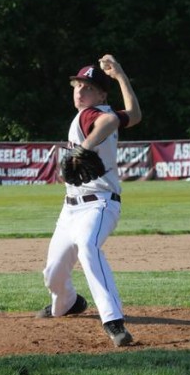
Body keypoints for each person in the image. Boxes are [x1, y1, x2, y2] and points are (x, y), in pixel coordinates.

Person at [36, 54, 142, 347]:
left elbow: (108, 120)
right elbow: (133, 114)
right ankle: (69, 303)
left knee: (88, 246)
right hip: (70, 209)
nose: (80, 92)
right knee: (53, 274)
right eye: (77, 86)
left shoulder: (92, 114)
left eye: (88, 87)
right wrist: (120, 75)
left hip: (99, 205)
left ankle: (113, 320)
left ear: (100, 95)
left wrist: (84, 147)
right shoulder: (92, 112)